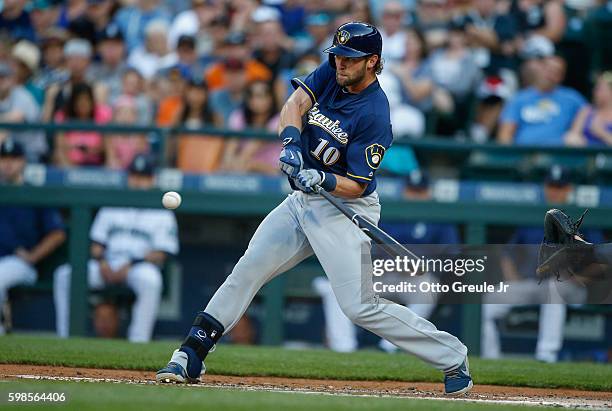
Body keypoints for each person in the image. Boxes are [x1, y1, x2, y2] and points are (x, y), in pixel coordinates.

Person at [156, 21, 473, 396]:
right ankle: (192, 351)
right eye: (338, 56)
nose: (340, 63)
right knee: (249, 266)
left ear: (372, 62)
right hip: (302, 200)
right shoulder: (333, 72)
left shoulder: (375, 113)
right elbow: (295, 104)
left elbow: (356, 185)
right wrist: (291, 142)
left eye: (351, 59)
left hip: (342, 207)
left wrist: (322, 179)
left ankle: (453, 357)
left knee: (359, 306)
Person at [481, 165, 605, 363]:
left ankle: (546, 356)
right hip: (533, 283)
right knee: (488, 300)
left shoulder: (582, 216)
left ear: (568, 189)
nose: (555, 192)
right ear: (545, 187)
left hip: (571, 288)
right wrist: (513, 277)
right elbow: (507, 253)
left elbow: (603, 261)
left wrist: (579, 279)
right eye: (552, 186)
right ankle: (491, 359)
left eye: (560, 187)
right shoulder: (534, 214)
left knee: (553, 288)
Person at [53, 154, 179, 343]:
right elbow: (96, 244)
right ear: (128, 178)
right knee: (64, 275)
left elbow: (161, 253)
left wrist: (131, 264)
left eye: (144, 177)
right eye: (135, 176)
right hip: (107, 264)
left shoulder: (161, 212)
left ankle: (138, 341)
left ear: (152, 180)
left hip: (138, 267)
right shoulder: (112, 203)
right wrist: (102, 262)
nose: (138, 182)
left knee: (151, 281)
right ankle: (65, 336)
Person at [0, 139, 66, 335]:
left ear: (23, 161)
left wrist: (33, 256)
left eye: (14, 158)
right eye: (3, 158)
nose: (8, 163)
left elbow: (57, 233)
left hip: (19, 263)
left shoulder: (34, 191)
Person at [498, 54, 586, 145]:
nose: (550, 75)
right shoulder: (520, 98)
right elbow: (505, 134)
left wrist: (575, 131)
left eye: (557, 72)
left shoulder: (571, 98)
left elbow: (589, 112)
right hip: (524, 154)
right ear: (539, 69)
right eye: (548, 69)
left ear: (562, 77)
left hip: (558, 155)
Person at [221, 80, 282, 175]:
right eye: (252, 96)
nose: (256, 100)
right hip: (243, 168)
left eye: (262, 96)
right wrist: (228, 162)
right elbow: (231, 145)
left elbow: (255, 145)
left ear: (271, 98)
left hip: (272, 170)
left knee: (249, 165)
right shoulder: (239, 116)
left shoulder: (279, 119)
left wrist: (239, 163)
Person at [53, 82, 112, 167]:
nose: (83, 103)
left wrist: (94, 150)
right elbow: (60, 148)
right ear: (73, 102)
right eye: (79, 100)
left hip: (97, 165)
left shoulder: (102, 113)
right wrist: (71, 171)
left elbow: (108, 145)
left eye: (86, 99)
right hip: (69, 165)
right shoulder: (63, 115)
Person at [176, 77, 225, 173]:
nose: (195, 96)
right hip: (183, 167)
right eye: (192, 91)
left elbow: (221, 145)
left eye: (199, 91)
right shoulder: (179, 115)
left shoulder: (215, 118)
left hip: (207, 169)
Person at [565, 71, 612, 146]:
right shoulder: (586, 111)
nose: (594, 92)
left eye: (599, 89)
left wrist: (601, 132)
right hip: (587, 156)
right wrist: (577, 140)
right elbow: (572, 136)